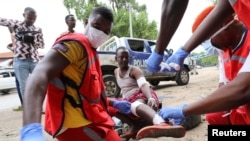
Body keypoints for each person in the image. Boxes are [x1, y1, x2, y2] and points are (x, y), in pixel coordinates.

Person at [20, 6, 134, 141]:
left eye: (106, 31)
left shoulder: (91, 52)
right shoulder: (75, 44)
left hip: (89, 118)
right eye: (97, 26)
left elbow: (86, 94)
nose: (100, 33)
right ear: (87, 22)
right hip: (76, 124)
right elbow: (38, 75)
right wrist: (30, 128)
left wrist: (114, 103)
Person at [157, 0, 250, 125]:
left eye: (205, 38)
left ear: (224, 24)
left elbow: (242, 90)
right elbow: (223, 89)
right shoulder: (225, 53)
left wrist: (185, 111)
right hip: (243, 110)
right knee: (214, 117)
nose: (206, 45)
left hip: (243, 101)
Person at [109, 46, 185, 139]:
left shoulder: (134, 70)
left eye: (127, 57)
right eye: (121, 57)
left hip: (142, 95)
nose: (124, 60)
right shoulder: (116, 71)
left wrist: (150, 98)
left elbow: (144, 85)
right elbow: (124, 89)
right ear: (116, 58)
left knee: (135, 105)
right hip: (128, 99)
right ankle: (134, 126)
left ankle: (161, 123)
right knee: (109, 106)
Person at [0, 7, 45, 103]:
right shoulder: (17, 24)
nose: (32, 20)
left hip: (34, 61)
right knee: (24, 87)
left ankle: (37, 107)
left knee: (38, 84)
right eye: (29, 18)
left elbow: (42, 44)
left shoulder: (38, 29)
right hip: (20, 60)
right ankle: (28, 110)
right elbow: (3, 21)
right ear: (24, 15)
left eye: (34, 18)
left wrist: (32, 41)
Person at [6, 27, 23, 111]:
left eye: (9, 27)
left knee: (20, 85)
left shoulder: (14, 35)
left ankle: (25, 105)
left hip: (20, 64)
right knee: (21, 85)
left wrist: (9, 48)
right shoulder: (16, 35)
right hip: (19, 62)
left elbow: (17, 50)